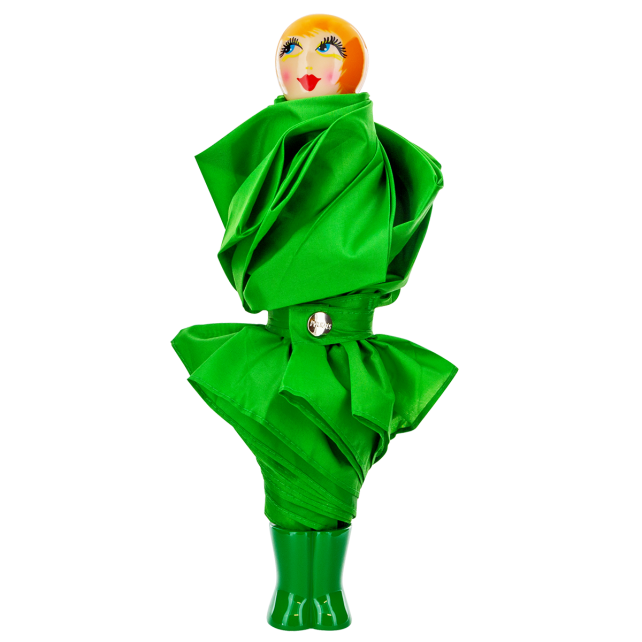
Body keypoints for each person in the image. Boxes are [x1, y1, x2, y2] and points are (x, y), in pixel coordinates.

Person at [172, 14, 458, 631]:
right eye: (291, 48)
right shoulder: (262, 151)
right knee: (287, 481)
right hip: (277, 349)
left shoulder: (379, 157)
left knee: (330, 482)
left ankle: (322, 597)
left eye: (329, 48)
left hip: (345, 355)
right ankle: (291, 598)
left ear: (355, 64)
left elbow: (376, 249)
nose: (307, 63)